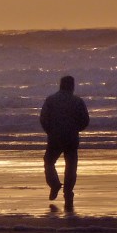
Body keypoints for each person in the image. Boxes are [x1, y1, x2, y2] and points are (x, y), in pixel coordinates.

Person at [39, 75, 89, 208]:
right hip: (71, 137)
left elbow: (43, 118)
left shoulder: (51, 100)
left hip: (55, 137)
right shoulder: (77, 101)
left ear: (60, 85)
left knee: (49, 162)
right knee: (71, 166)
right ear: (72, 86)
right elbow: (85, 120)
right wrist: (76, 129)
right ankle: (68, 192)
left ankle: (54, 184)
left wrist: (49, 131)